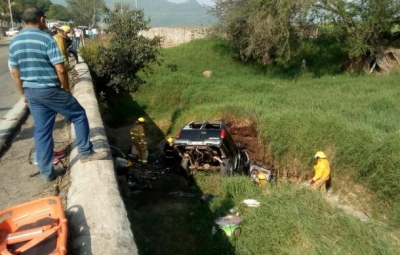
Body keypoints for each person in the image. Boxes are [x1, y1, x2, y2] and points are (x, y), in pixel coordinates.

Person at [8, 6, 107, 182]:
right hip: (49, 89)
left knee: (42, 131)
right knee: (79, 115)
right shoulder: (46, 39)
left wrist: (24, 94)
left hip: (32, 92)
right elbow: (60, 68)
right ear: (41, 19)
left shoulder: (14, 42)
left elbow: (15, 73)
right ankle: (85, 152)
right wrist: (66, 89)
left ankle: (47, 172)